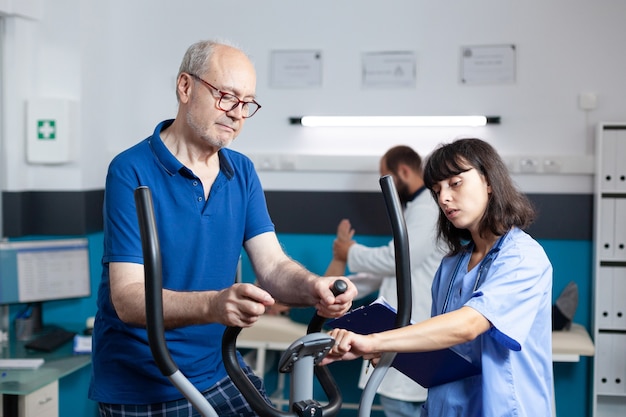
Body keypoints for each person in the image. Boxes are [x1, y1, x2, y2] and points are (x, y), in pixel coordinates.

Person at [88, 39, 357, 417]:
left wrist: (314, 287)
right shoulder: (130, 169)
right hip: (144, 381)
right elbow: (129, 299)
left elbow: (273, 267)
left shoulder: (241, 171)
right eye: (226, 96)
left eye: (247, 103)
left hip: (218, 368)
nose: (237, 113)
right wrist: (214, 305)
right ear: (185, 87)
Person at [323, 138, 553, 417]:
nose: (443, 198)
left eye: (455, 183)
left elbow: (468, 326)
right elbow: (448, 353)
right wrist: (390, 350)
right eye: (437, 190)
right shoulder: (451, 266)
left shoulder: (523, 257)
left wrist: (376, 340)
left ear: (489, 181)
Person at [324, 145, 446, 417]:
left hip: (415, 331)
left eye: (385, 176)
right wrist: (346, 284)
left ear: (402, 171)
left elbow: (397, 260)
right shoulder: (416, 210)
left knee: (403, 404)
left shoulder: (427, 208)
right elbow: (393, 270)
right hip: (401, 335)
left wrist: (349, 251)